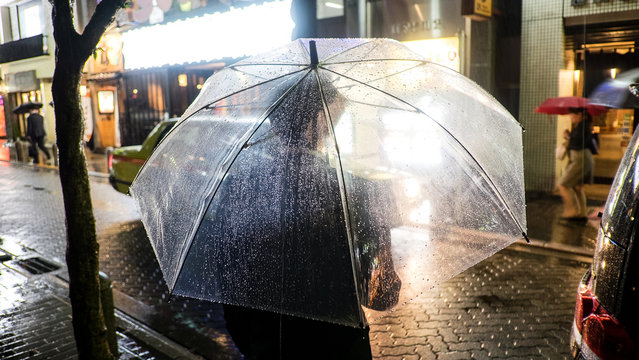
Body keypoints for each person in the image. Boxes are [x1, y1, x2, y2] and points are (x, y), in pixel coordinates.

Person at [558, 107, 594, 220]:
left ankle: (571, 211)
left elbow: (577, 143)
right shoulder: (582, 125)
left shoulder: (582, 126)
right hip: (582, 158)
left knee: (563, 184)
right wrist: (569, 136)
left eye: (572, 115)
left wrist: (568, 137)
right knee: (577, 187)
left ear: (579, 115)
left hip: (580, 158)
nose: (570, 118)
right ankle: (582, 213)